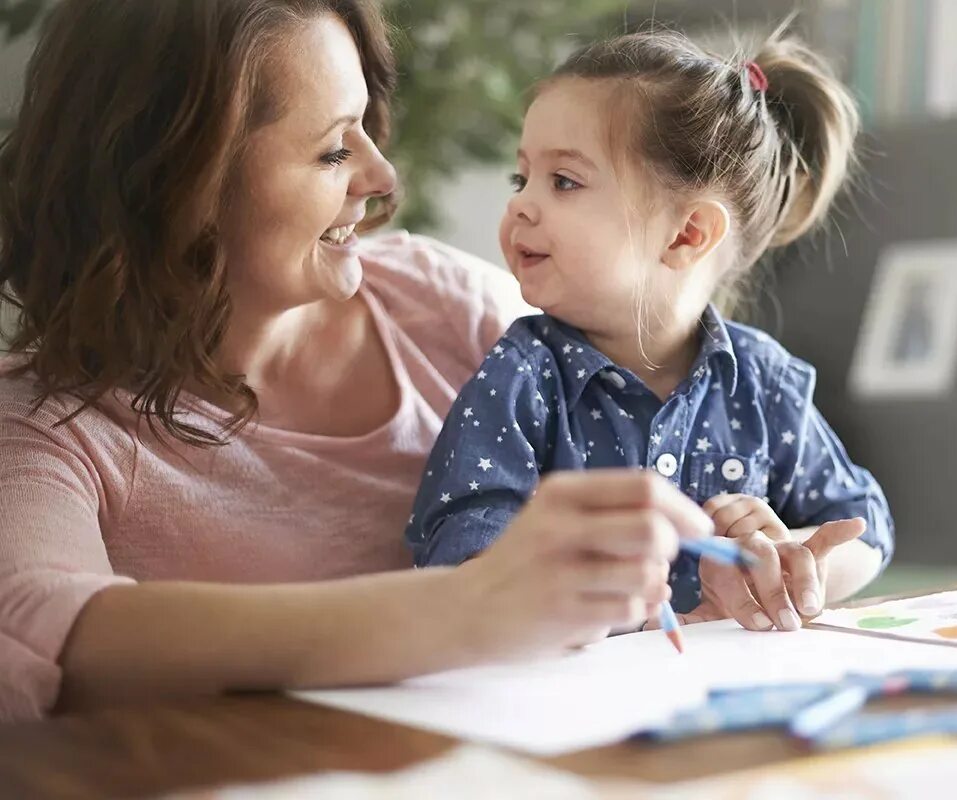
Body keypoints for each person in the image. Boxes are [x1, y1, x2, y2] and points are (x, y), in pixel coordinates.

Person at [0, 0, 715, 723]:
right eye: (334, 150)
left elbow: (673, 441)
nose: (381, 176)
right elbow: (39, 627)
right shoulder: (45, 426)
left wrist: (741, 536)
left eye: (367, 127)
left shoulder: (447, 308)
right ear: (180, 182)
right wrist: (468, 606)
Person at [406, 29, 894, 634]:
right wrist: (568, 583)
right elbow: (460, 552)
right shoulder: (522, 374)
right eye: (521, 178)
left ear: (688, 234)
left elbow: (865, 526)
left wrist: (790, 562)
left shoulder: (764, 382)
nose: (521, 206)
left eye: (563, 182)